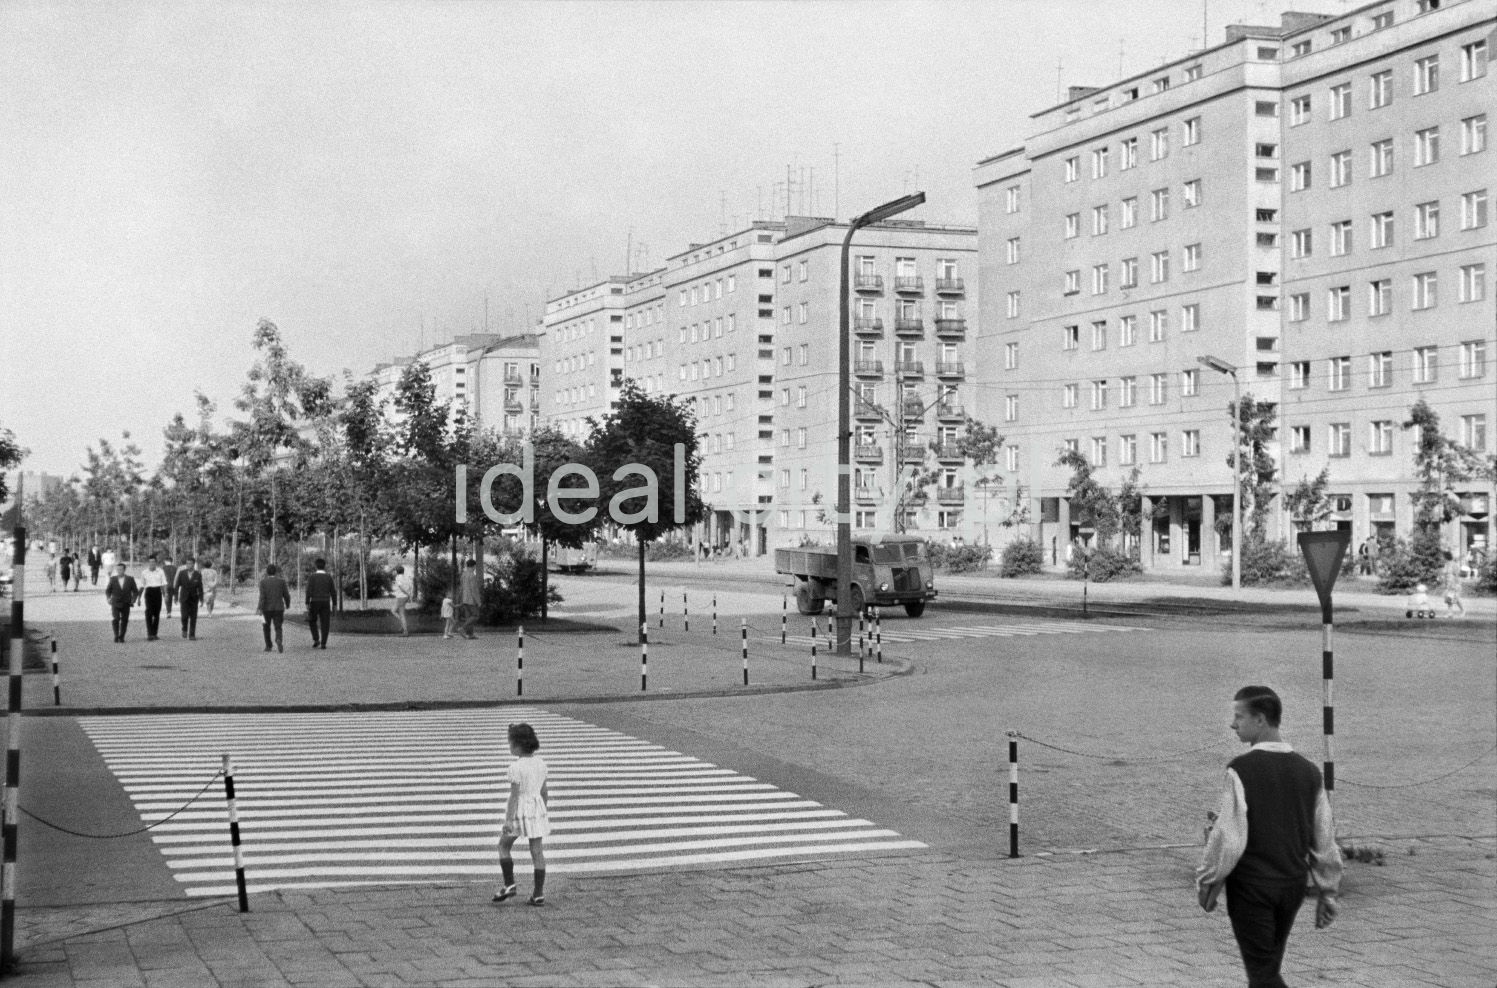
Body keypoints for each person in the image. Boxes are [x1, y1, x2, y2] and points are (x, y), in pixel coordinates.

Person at [1198, 685, 1342, 988]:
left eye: (1239, 717)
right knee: (1266, 967)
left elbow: (1228, 837)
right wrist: (1328, 890)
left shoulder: (1241, 770)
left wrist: (1208, 881)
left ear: (1260, 719)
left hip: (1252, 888)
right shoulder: (1309, 772)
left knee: (1263, 976)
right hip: (1290, 887)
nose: (1233, 724)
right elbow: (1324, 838)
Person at [493, 722, 550, 907]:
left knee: (503, 845)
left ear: (517, 745)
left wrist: (508, 820)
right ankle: (538, 894)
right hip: (537, 810)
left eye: (510, 743)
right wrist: (542, 812)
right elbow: (544, 791)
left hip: (521, 811)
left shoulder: (516, 767)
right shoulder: (541, 764)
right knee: (537, 851)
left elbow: (514, 796)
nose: (509, 746)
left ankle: (509, 884)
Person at [257, 564, 291, 653]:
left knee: (266, 627)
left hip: (266, 609)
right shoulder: (282, 582)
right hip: (279, 608)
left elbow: (262, 597)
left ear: (267, 572)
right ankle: (278, 639)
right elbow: (286, 595)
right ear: (275, 572)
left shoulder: (263, 582)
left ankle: (268, 646)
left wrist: (260, 608)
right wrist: (287, 604)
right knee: (278, 626)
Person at [305, 557, 336, 649]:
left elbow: (308, 590)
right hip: (326, 602)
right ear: (324, 566)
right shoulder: (329, 577)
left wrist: (307, 602)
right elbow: (333, 591)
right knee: (325, 622)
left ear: (315, 566)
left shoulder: (312, 577)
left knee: (312, 620)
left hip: (315, 602)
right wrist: (334, 603)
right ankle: (323, 643)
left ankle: (316, 639)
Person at [104, 562, 140, 643]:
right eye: (117, 569)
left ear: (124, 570)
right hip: (115, 602)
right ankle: (116, 635)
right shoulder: (113, 579)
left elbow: (135, 591)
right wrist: (108, 598)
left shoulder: (130, 579)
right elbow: (108, 591)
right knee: (116, 618)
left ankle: (122, 636)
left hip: (126, 602)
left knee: (125, 620)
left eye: (120, 569)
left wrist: (133, 599)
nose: (119, 571)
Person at [138, 554, 167, 640]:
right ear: (148, 562)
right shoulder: (144, 573)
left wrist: (165, 595)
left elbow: (164, 583)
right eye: (150, 562)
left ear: (156, 562)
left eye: (153, 562)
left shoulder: (160, 571)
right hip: (149, 592)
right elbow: (142, 585)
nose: (152, 563)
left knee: (156, 614)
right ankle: (149, 633)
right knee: (148, 612)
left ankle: (154, 633)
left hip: (157, 592)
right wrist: (139, 598)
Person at [174, 557, 204, 640]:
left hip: (194, 598)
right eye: (187, 563)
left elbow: (200, 587)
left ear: (194, 564)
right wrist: (175, 596)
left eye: (190, 563)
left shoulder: (198, 574)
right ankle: (184, 628)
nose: (188, 565)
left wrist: (201, 599)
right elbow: (177, 585)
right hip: (184, 598)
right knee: (184, 616)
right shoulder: (182, 573)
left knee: (193, 617)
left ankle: (192, 634)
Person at [458, 558, 482, 640]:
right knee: (476, 616)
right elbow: (474, 590)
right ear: (473, 566)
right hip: (471, 600)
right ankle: (463, 628)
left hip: (465, 599)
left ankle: (470, 634)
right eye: (475, 566)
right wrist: (478, 601)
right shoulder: (472, 576)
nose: (475, 568)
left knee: (469, 618)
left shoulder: (463, 576)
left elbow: (461, 588)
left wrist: (461, 599)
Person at [392, 565, 414, 636]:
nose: (394, 572)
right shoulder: (406, 577)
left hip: (401, 597)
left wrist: (408, 594)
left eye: (395, 570)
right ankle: (404, 624)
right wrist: (410, 595)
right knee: (393, 610)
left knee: (401, 614)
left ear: (397, 571)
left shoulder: (398, 577)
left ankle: (405, 631)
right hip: (405, 597)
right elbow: (411, 587)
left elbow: (401, 587)